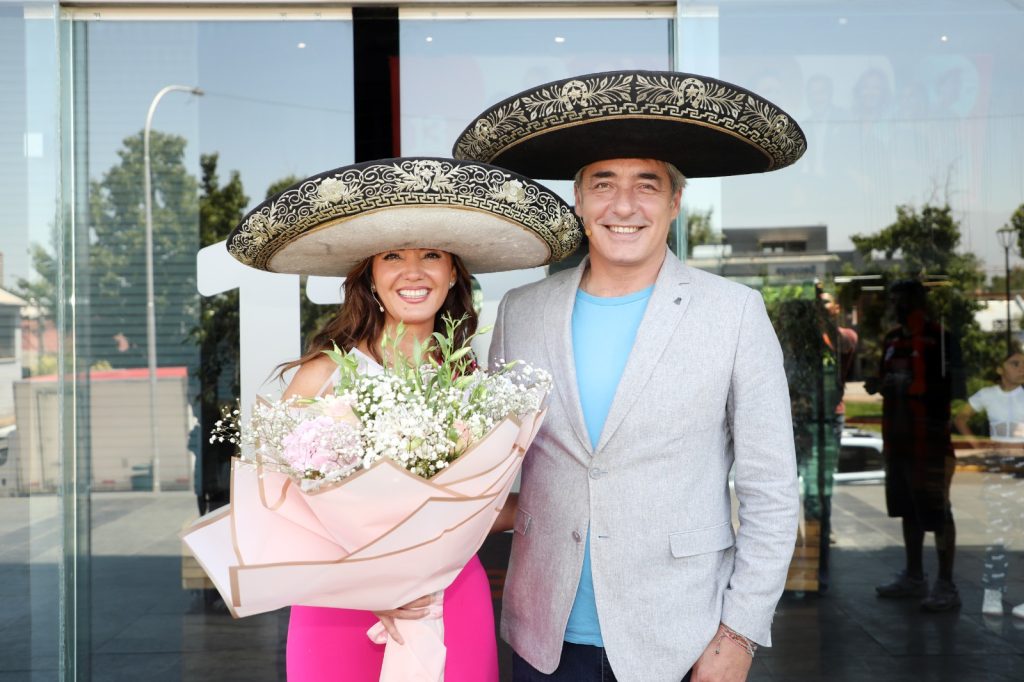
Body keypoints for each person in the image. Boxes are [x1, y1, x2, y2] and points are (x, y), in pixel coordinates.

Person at [455, 70, 804, 682]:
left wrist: (740, 634)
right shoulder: (522, 311)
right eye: (603, 184)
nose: (623, 206)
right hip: (543, 634)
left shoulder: (734, 313)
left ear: (674, 202)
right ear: (578, 200)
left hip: (681, 636)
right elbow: (486, 467)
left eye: (647, 185)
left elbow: (771, 490)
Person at [225, 156, 582, 681]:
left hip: (449, 597)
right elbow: (277, 510)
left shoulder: (471, 383)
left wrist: (559, 503)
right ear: (370, 274)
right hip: (339, 607)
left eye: (431, 255)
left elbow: (481, 508)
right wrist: (375, 582)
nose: (413, 272)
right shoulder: (321, 376)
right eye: (393, 256)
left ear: (453, 272)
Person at [867, 279, 965, 612]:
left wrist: (911, 388)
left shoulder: (940, 339)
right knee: (907, 507)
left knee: (938, 510)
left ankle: (946, 583)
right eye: (894, 300)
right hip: (898, 440)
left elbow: (953, 387)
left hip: (929, 442)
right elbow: (887, 379)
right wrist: (880, 384)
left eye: (903, 300)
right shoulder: (893, 340)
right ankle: (914, 575)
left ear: (919, 300)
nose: (897, 306)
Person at [954, 346, 1024, 618]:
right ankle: (992, 593)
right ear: (999, 368)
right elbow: (961, 418)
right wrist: (978, 445)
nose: (1021, 368)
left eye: (1023, 364)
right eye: (1015, 363)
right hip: (998, 470)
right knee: (998, 535)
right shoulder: (986, 395)